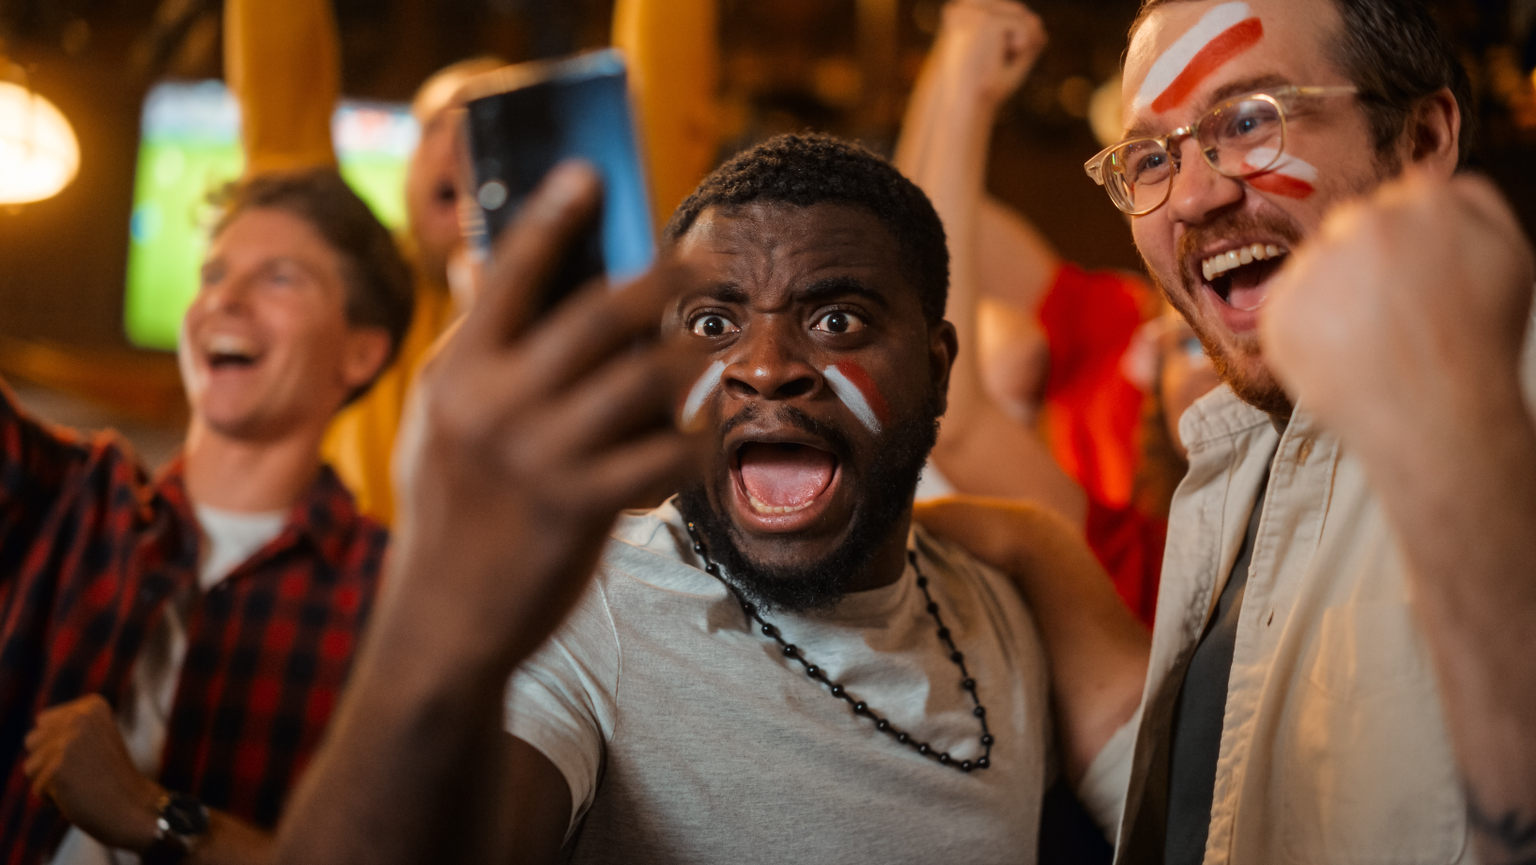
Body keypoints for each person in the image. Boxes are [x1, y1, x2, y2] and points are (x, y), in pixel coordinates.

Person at [271, 136, 1151, 864]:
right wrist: (438, 615)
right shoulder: (587, 606)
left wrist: (1036, 545)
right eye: (713, 326)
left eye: (837, 319)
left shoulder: (1003, 603)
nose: (765, 367)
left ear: (937, 366)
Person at [1082, 0, 1536, 862]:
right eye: (1150, 157)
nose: (1193, 195)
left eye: (1250, 119)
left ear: (1422, 141)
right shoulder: (1232, 456)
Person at [1, 168, 412, 865]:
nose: (223, 297)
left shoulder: (399, 596)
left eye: (279, 278)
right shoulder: (70, 496)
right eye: (214, 272)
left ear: (361, 351)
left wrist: (156, 813)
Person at [895, 0, 1217, 625]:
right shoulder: (1123, 323)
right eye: (1184, 340)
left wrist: (965, 84)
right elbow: (921, 232)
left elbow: (956, 419)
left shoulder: (1152, 560)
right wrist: (958, 60)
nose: (1197, 351)